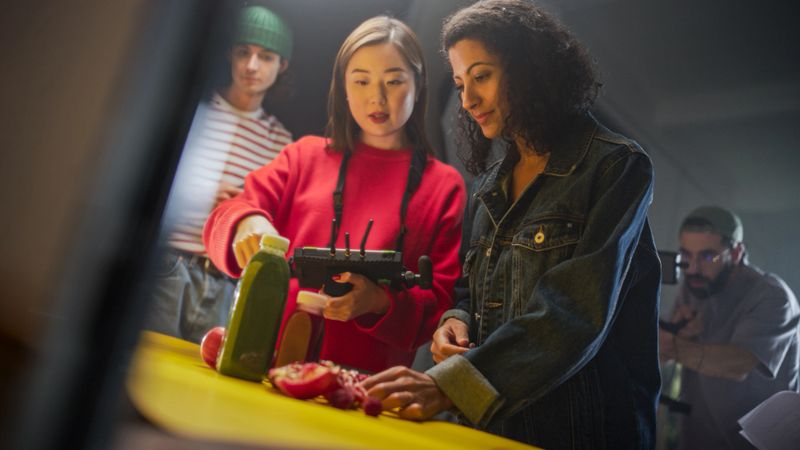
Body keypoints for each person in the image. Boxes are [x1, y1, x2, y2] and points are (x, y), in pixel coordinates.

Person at [362, 1, 662, 448]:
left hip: (578, 432)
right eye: (461, 83)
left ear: (531, 70)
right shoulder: (488, 185)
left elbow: (574, 312)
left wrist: (450, 385)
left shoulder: (616, 166)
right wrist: (454, 319)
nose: (467, 100)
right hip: (489, 428)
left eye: (481, 76)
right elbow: (470, 290)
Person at [203, 16, 466, 374]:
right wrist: (245, 222)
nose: (377, 97)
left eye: (393, 81)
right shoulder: (303, 156)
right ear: (343, 86)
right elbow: (230, 211)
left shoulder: (443, 185)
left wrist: (378, 302)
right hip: (262, 366)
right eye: (361, 81)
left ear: (418, 85)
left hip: (362, 389)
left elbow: (439, 303)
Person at [147, 5, 294, 343]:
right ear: (230, 53)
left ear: (281, 65)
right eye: (244, 52)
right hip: (170, 267)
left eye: (266, 56)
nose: (252, 66)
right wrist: (201, 197)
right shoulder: (194, 113)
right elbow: (150, 185)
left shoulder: (281, 142)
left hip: (230, 284)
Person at [659, 206, 799, 449]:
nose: (692, 269)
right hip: (696, 437)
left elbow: (739, 364)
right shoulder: (695, 285)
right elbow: (661, 356)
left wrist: (672, 346)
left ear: (735, 253)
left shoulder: (773, 296)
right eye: (686, 256)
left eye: (707, 256)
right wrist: (679, 334)